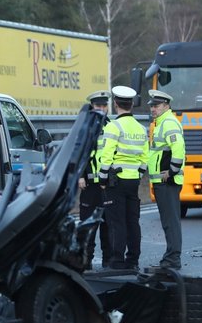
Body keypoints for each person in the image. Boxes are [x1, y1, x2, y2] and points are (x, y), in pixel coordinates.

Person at [98, 86, 147, 271]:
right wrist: (138, 174)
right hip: (133, 180)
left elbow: (106, 156)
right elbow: (144, 157)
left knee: (116, 222)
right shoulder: (141, 129)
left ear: (116, 104)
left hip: (115, 181)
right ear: (132, 104)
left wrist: (102, 179)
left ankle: (117, 261)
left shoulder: (113, 127)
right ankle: (133, 260)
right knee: (133, 221)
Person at [147, 89, 186, 269]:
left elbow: (178, 149)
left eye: (156, 106)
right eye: (152, 106)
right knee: (169, 221)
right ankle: (171, 257)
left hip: (167, 182)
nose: (153, 109)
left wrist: (171, 172)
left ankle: (173, 259)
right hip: (162, 181)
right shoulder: (161, 123)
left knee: (170, 222)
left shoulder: (168, 123)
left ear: (166, 105)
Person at [78, 91, 111, 269]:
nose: (101, 108)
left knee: (108, 225)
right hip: (89, 184)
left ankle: (108, 260)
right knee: (88, 225)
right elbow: (80, 153)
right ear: (92, 107)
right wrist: (81, 176)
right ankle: (86, 260)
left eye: (104, 105)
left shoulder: (111, 126)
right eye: (98, 106)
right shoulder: (85, 126)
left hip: (106, 184)